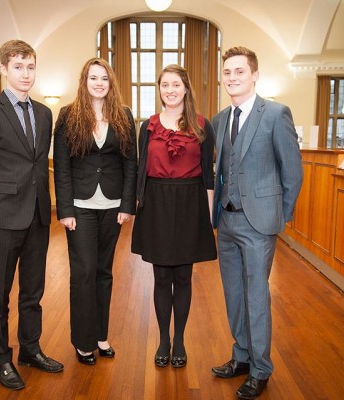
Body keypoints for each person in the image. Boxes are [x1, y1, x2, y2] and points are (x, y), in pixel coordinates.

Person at [0, 39, 63, 391]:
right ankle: (1, 359)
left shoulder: (43, 113)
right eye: (19, 67)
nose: (26, 74)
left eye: (31, 67)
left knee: (32, 292)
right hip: (4, 215)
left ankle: (30, 349)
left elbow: (39, 162)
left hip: (38, 213)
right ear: (4, 69)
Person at [210, 46, 303, 400]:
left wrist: (279, 216)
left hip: (259, 224)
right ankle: (242, 356)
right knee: (233, 294)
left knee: (256, 294)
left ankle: (261, 368)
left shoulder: (276, 114)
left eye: (239, 71)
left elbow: (293, 173)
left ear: (254, 75)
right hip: (227, 222)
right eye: (227, 72)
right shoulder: (220, 120)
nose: (232, 77)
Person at [132, 64, 217, 369]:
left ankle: (179, 339)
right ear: (160, 89)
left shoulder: (202, 125)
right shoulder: (148, 126)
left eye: (176, 85)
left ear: (186, 89)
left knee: (183, 276)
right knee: (161, 276)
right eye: (165, 85)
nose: (170, 90)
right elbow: (140, 170)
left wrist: (208, 219)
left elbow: (208, 175)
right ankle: (163, 340)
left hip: (190, 204)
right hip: (156, 204)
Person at [53, 58, 137, 365]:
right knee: (83, 272)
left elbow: (131, 163)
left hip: (112, 207)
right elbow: (61, 167)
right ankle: (83, 341)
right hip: (80, 208)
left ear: (110, 82)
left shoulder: (124, 116)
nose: (99, 82)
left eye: (104, 78)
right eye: (93, 77)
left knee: (103, 272)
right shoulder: (68, 116)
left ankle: (101, 335)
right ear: (84, 81)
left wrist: (127, 205)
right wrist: (64, 209)